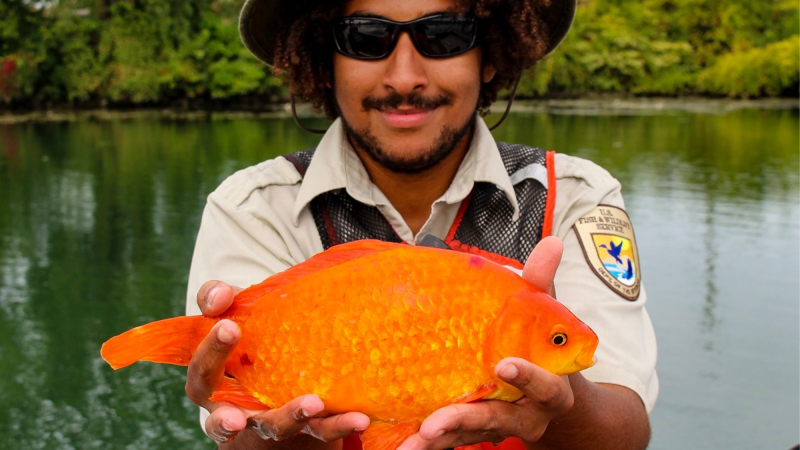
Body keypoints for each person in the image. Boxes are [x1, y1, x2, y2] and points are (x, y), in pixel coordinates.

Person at [184, 0, 658, 448]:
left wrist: (559, 398)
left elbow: (626, 430)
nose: (404, 77)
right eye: (366, 38)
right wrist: (270, 431)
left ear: (490, 56)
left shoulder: (574, 194)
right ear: (324, 61)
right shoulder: (252, 208)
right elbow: (239, 431)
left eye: (444, 36)